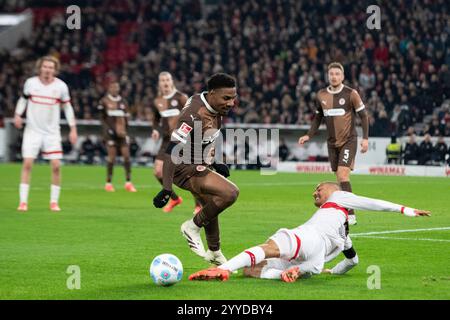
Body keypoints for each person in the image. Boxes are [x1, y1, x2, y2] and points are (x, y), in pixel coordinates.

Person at [189, 182, 430, 282]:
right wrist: (332, 271)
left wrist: (405, 210)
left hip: (309, 237)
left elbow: (371, 202)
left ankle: (222, 269)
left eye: (319, 188)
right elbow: (353, 261)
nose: (315, 193)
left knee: (268, 248)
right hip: (313, 262)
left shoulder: (339, 197)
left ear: (333, 190)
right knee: (252, 271)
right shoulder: (345, 233)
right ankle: (292, 273)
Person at [153, 73, 239, 265]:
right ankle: (191, 227)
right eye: (226, 98)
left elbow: (208, 134)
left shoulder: (213, 105)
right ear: (212, 93)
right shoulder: (192, 115)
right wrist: (167, 189)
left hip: (199, 160)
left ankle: (214, 253)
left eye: (233, 98)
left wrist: (216, 161)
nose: (231, 103)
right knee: (230, 193)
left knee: (211, 205)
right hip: (183, 167)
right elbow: (171, 151)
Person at [298, 62, 369, 226]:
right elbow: (317, 118)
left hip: (348, 140)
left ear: (342, 76)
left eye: (337, 74)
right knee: (339, 177)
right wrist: (309, 135)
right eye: (331, 74)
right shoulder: (321, 95)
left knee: (343, 175)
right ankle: (343, 209)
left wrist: (365, 138)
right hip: (332, 143)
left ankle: (351, 214)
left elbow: (364, 116)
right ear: (328, 76)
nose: (334, 76)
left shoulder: (351, 94)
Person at [14, 56, 78, 212]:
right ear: (40, 68)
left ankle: (54, 202)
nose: (48, 70)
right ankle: (23, 202)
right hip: (32, 130)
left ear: (55, 70)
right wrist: (17, 114)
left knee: (56, 166)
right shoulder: (31, 83)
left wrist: (73, 128)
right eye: (45, 67)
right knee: (28, 164)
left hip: (51, 132)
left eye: (51, 67)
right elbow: (23, 100)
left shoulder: (61, 87)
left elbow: (67, 108)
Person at [151, 72, 195, 213]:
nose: (165, 82)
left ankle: (198, 205)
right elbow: (156, 119)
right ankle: (174, 198)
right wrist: (155, 130)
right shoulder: (157, 101)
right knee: (158, 172)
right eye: (162, 80)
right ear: (159, 83)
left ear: (172, 81)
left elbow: (192, 115)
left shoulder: (181, 98)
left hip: (182, 140)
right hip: (165, 141)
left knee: (190, 174)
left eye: (167, 79)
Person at [98, 81, 137, 192]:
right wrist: (108, 131)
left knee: (127, 157)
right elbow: (102, 119)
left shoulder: (123, 102)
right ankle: (108, 183)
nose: (115, 89)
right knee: (112, 158)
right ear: (109, 88)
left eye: (117, 87)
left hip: (122, 134)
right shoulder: (104, 101)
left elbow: (126, 119)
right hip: (110, 135)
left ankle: (128, 182)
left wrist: (126, 132)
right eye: (113, 87)